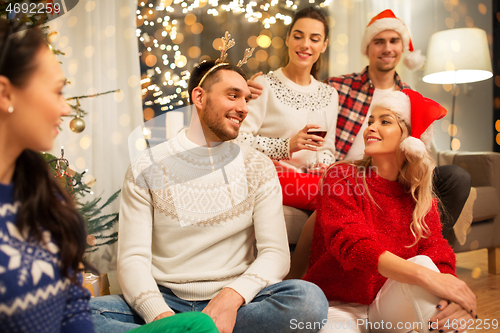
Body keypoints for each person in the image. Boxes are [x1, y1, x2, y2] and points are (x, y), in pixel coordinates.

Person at [89, 45, 329, 332]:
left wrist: (231, 297)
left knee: (310, 303)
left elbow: (275, 255)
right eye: (232, 95)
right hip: (167, 302)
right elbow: (133, 258)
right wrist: (162, 320)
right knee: (79, 314)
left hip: (236, 304)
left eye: (246, 99)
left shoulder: (258, 166)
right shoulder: (147, 166)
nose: (243, 107)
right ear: (199, 97)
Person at [303, 89, 477, 333]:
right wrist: (428, 278)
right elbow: (352, 244)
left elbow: (438, 254)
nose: (371, 128)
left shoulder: (419, 197)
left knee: (427, 266)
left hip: (388, 305)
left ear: (408, 139)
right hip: (338, 306)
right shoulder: (340, 176)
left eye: (385, 121)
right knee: (424, 271)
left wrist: (450, 295)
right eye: (370, 121)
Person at [325, 9, 471, 238]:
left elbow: (421, 153)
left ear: (403, 48)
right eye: (379, 41)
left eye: (394, 41)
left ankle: (423, 244)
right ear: (368, 48)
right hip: (356, 177)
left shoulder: (411, 97)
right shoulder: (337, 87)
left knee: (456, 177)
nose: (387, 48)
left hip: (398, 178)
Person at [0, 20, 94, 332]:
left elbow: (73, 300)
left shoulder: (41, 190)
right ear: (5, 93)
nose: (66, 108)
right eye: (57, 92)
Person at [236, 6, 339, 211]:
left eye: (315, 39)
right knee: (339, 198)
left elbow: (327, 149)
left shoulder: (329, 95)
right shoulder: (264, 85)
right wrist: (287, 145)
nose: (305, 45)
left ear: (324, 45)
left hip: (309, 180)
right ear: (288, 38)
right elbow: (238, 140)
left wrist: (322, 166)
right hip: (271, 175)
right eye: (298, 36)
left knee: (345, 192)